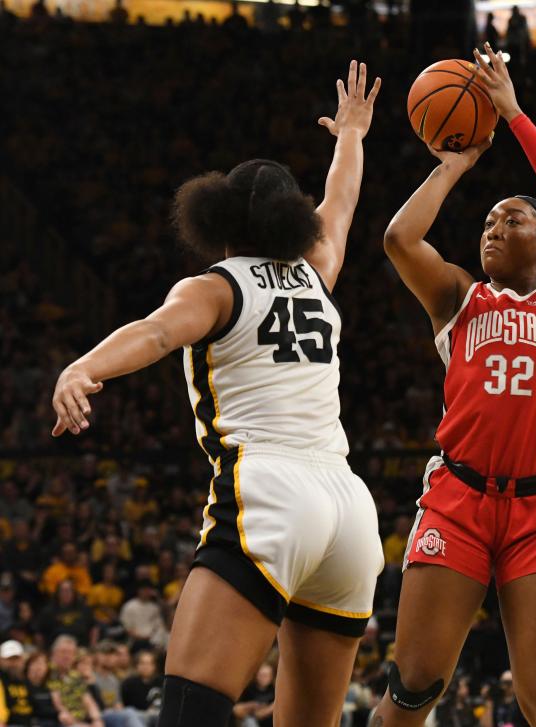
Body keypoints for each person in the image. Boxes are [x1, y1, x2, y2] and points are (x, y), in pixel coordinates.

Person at [50, 61, 384, 727]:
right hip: (350, 510)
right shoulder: (319, 270)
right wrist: (351, 136)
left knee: (187, 714)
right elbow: (340, 204)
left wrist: (84, 367)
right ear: (295, 221)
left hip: (270, 490)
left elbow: (153, 332)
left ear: (220, 214)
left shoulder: (217, 285)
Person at [374, 42, 536, 727]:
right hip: (459, 500)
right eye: (487, 220)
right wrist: (451, 167)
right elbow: (398, 239)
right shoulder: (458, 298)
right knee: (413, 684)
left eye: (514, 218)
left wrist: (513, 115)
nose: (495, 226)